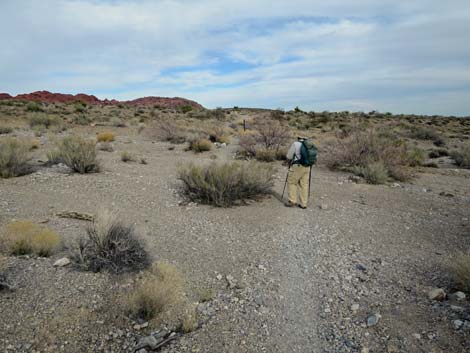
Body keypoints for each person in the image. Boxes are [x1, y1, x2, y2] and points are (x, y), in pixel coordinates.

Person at [285, 136, 311, 209]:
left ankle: (292, 201)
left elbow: (289, 156)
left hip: (297, 166)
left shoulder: (295, 144)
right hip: (307, 166)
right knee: (304, 185)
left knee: (292, 182)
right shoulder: (310, 144)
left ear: (298, 138)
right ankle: (303, 204)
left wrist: (287, 162)